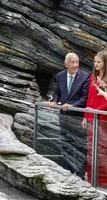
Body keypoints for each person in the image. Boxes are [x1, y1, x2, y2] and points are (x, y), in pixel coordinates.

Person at [50, 52, 90, 179]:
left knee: (79, 145)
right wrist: (54, 100)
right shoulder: (60, 75)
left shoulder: (85, 76)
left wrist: (72, 105)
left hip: (78, 117)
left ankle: (80, 174)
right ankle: (66, 172)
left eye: (77, 62)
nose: (75, 65)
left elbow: (85, 97)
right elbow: (57, 92)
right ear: (66, 64)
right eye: (72, 62)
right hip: (63, 116)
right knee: (65, 143)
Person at [82, 50, 107, 186]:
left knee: (103, 150)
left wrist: (96, 111)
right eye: (95, 61)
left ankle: (103, 181)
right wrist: (86, 116)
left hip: (103, 119)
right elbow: (89, 99)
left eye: (99, 62)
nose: (96, 64)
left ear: (105, 63)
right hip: (92, 117)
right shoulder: (93, 77)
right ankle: (92, 179)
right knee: (91, 149)